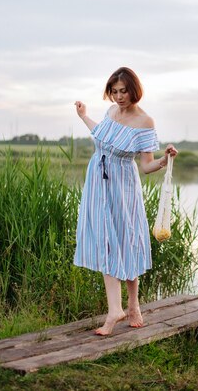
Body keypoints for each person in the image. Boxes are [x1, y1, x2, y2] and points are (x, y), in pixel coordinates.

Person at [73, 67, 178, 336]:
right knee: (107, 241)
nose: (119, 97)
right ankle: (125, 309)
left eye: (124, 91)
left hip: (123, 187)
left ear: (134, 90)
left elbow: (145, 166)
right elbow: (103, 139)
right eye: (114, 91)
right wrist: (85, 117)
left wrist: (165, 160)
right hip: (98, 183)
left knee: (126, 241)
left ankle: (124, 308)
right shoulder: (110, 113)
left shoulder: (145, 122)